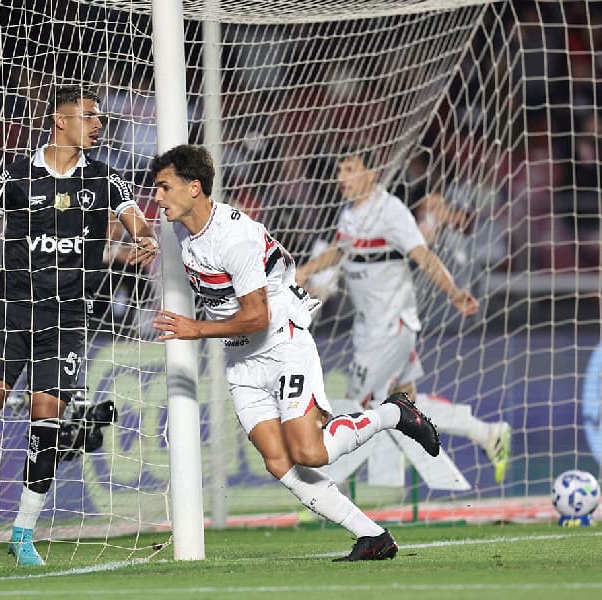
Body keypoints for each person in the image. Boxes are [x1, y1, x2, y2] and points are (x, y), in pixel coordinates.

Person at [150, 144, 440, 562]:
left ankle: (394, 413)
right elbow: (151, 233)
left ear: (194, 188)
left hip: (282, 343)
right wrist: (141, 243)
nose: (156, 196)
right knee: (277, 461)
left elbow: (256, 317)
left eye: (164, 187)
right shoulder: (182, 227)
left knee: (309, 452)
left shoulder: (235, 237)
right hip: (242, 360)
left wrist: (196, 329)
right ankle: (372, 536)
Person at [0, 85, 158, 566]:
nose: (98, 124)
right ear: (60, 121)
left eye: (98, 117)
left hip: (66, 318)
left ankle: (23, 533)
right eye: (88, 116)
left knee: (47, 420)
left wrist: (144, 240)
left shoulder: (107, 179)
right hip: (11, 309)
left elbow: (136, 222)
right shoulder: (15, 176)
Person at [294, 147, 512, 483]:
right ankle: (486, 433)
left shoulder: (391, 211)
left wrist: (454, 293)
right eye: (339, 171)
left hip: (391, 327)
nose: (341, 178)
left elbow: (423, 256)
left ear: (372, 174)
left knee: (357, 405)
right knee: (407, 405)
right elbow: (340, 249)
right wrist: (305, 271)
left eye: (350, 169)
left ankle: (319, 491)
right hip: (370, 326)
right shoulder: (351, 211)